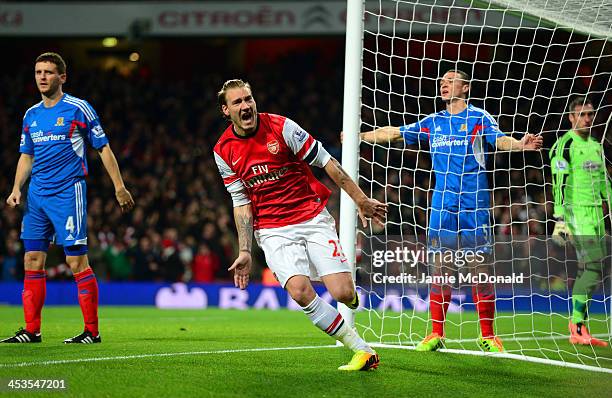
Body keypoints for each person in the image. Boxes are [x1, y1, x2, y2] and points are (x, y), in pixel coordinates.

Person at [357, 70, 542, 352]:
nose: (443, 83)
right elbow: (394, 133)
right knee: (439, 268)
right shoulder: (433, 122)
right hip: (442, 205)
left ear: (465, 87)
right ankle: (436, 334)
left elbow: (500, 139)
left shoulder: (478, 117)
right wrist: (360, 135)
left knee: (479, 268)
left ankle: (488, 335)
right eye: (441, 80)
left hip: (474, 203)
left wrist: (518, 145)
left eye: (450, 80)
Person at [213, 79, 387, 371]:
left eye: (249, 99)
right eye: (238, 102)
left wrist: (360, 200)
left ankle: (350, 294)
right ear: (226, 110)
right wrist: (245, 250)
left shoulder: (282, 128)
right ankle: (362, 350)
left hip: (311, 217)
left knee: (343, 293)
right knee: (300, 291)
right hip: (271, 229)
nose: (246, 106)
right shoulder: (223, 150)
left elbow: (328, 163)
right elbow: (241, 201)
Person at [1, 52, 134, 344]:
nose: (43, 77)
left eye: (49, 72)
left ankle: (92, 331)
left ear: (63, 77)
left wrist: (119, 187)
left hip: (67, 193)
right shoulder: (31, 115)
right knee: (32, 260)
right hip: (36, 197)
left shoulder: (78, 108)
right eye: (38, 72)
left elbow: (103, 148)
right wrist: (16, 189)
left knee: (76, 262)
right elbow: (26, 155)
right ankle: (31, 330)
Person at [550, 96, 610, 347]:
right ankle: (576, 324)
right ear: (571, 118)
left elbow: (605, 181)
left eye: (590, 114)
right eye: (582, 114)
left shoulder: (596, 145)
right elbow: (558, 183)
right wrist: (560, 218)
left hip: (597, 215)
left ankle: (580, 326)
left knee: (591, 271)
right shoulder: (564, 144)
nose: (587, 119)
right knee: (593, 267)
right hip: (577, 214)